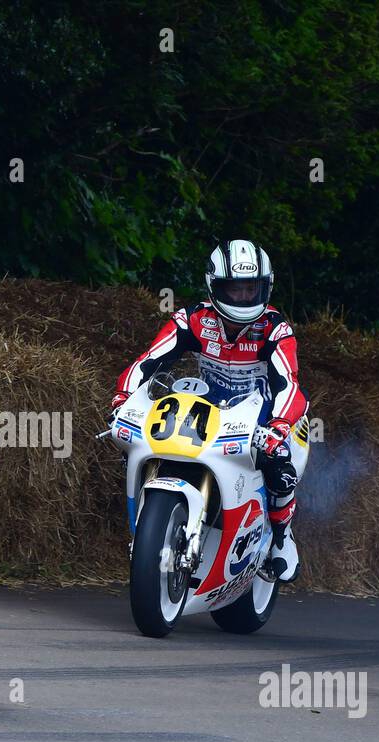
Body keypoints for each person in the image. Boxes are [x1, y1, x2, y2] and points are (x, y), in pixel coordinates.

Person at [112, 239, 309, 581]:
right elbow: (149, 361)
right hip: (210, 407)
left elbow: (288, 384)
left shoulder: (276, 329)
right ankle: (153, 526)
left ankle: (281, 537)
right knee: (137, 443)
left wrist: (278, 427)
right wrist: (122, 399)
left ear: (267, 287)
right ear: (215, 286)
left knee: (280, 465)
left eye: (251, 289)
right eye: (235, 289)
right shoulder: (192, 319)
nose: (244, 298)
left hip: (262, 412)